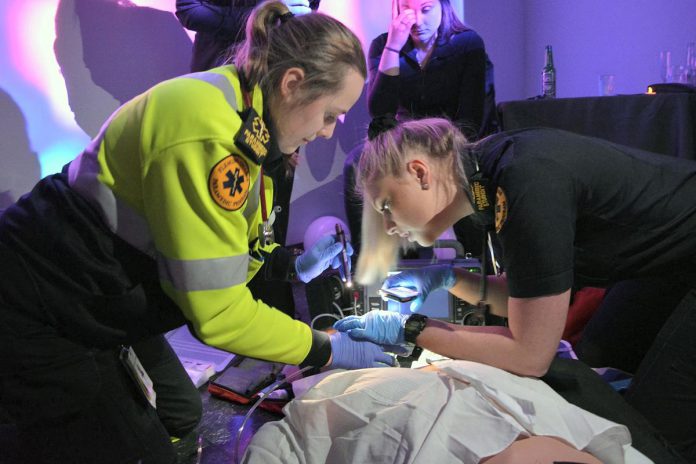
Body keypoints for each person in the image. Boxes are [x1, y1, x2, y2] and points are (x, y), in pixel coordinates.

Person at [0, 3, 395, 463]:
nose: (329, 132)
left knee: (181, 412)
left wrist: (291, 265)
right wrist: (324, 348)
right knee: (132, 449)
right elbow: (218, 312)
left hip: (104, 296)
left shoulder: (250, 118)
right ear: (293, 84)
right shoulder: (213, 135)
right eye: (330, 114)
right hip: (44, 306)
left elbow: (223, 243)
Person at [334, 117, 696, 461]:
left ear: (418, 172)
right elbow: (527, 300)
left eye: (386, 205)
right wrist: (450, 277)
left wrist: (410, 329)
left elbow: (531, 354)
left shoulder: (524, 179)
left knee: (655, 436)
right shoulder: (493, 173)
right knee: (600, 354)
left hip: (681, 256)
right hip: (667, 264)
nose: (388, 225)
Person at [176, 0, 321, 317]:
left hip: (280, 89)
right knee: (223, 222)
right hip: (228, 98)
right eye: (329, 116)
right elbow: (188, 7)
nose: (326, 132)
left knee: (267, 217)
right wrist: (264, 16)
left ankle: (269, 308)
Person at [343, 0, 497, 258]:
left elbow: (471, 118)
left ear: (443, 7)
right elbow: (381, 114)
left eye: (426, 9)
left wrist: (437, 157)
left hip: (451, 143)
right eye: (407, 9)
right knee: (356, 162)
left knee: (469, 176)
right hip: (404, 144)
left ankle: (479, 261)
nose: (417, 20)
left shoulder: (467, 43)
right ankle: (371, 263)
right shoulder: (384, 45)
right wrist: (393, 46)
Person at [176, 0, 320, 73]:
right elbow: (189, 9)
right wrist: (262, 16)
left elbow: (308, 10)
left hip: (278, 73)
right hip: (220, 71)